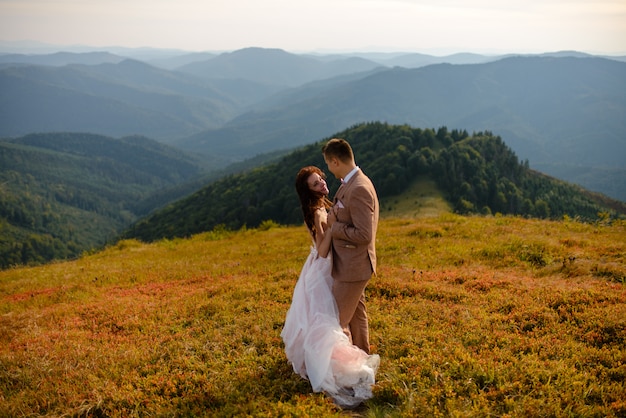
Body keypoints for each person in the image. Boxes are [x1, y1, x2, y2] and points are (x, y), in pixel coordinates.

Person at [281, 166, 380, 408]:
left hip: (324, 266)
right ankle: (346, 370)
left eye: (321, 179)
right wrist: (335, 225)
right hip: (326, 269)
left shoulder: (319, 205)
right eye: (316, 184)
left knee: (357, 311)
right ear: (309, 191)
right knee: (334, 322)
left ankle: (361, 356)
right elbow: (323, 249)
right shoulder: (318, 212)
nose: (323, 184)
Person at [322, 138, 379, 355]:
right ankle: (363, 358)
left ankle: (346, 371)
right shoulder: (352, 183)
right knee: (357, 316)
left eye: (328, 163)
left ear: (335, 161)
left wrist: (334, 228)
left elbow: (364, 234)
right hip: (351, 265)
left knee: (337, 322)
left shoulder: (359, 188)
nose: (328, 168)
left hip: (353, 267)